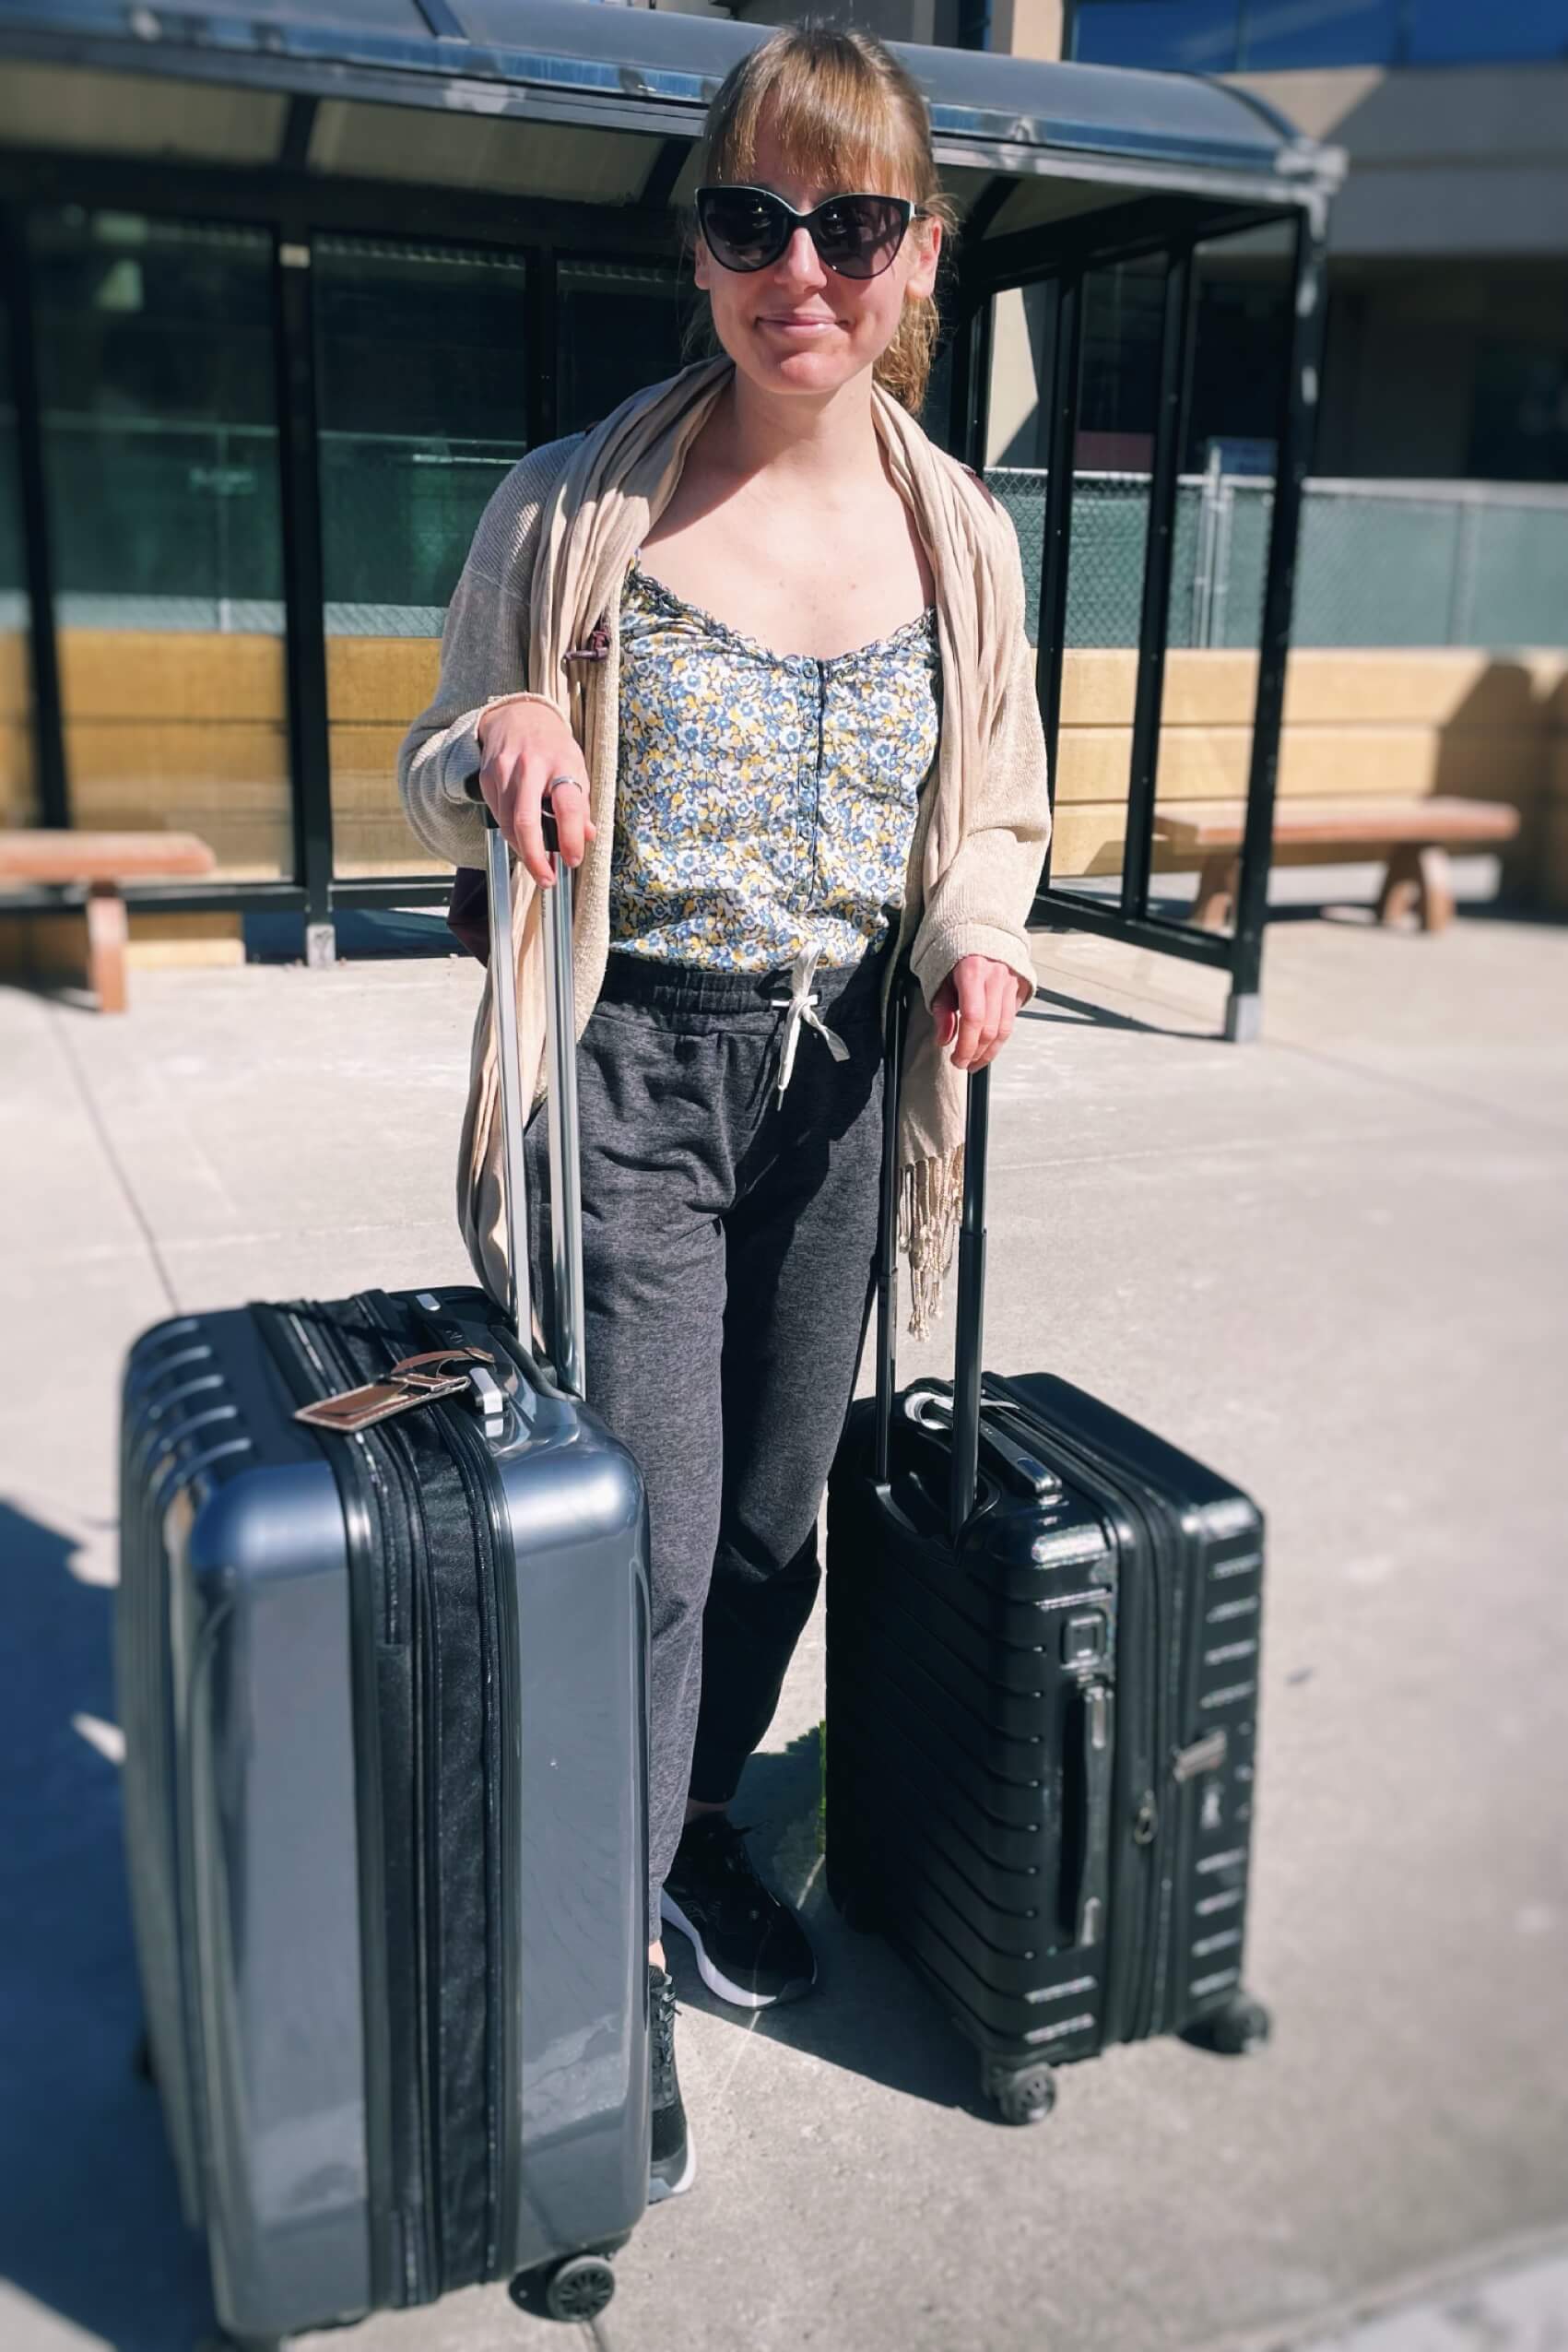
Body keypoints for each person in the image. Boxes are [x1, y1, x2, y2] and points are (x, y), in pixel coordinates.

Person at [398, 23, 1050, 2208]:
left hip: (849, 1079)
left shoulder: (958, 536)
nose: (801, 269)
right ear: (699, 247)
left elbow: (995, 817)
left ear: (915, 257)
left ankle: (682, 1837)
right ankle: (597, 1979)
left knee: (773, 1517)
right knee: (648, 1542)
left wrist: (977, 932)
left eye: (850, 226)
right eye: (753, 219)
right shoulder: (576, 498)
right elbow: (436, 745)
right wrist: (495, 730)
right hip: (638, 1076)